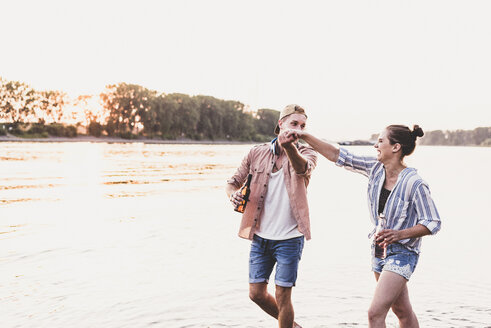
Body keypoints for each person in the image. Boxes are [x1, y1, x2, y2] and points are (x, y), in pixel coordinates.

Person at [295, 124, 441, 328]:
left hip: (403, 253)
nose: (376, 145)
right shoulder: (375, 168)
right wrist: (304, 136)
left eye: (381, 141)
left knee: (374, 314)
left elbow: (432, 222)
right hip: (379, 250)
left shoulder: (414, 183)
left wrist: (400, 234)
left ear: (396, 147)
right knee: (402, 311)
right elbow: (339, 155)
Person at [225, 104, 317, 328]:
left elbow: (302, 169)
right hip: (260, 236)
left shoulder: (306, 152)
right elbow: (232, 183)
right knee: (256, 293)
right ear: (281, 124)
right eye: (294, 123)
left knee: (283, 296)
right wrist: (233, 195)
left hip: (289, 238)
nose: (298, 129)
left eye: (303, 126)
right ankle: (294, 326)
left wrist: (290, 148)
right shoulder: (257, 152)